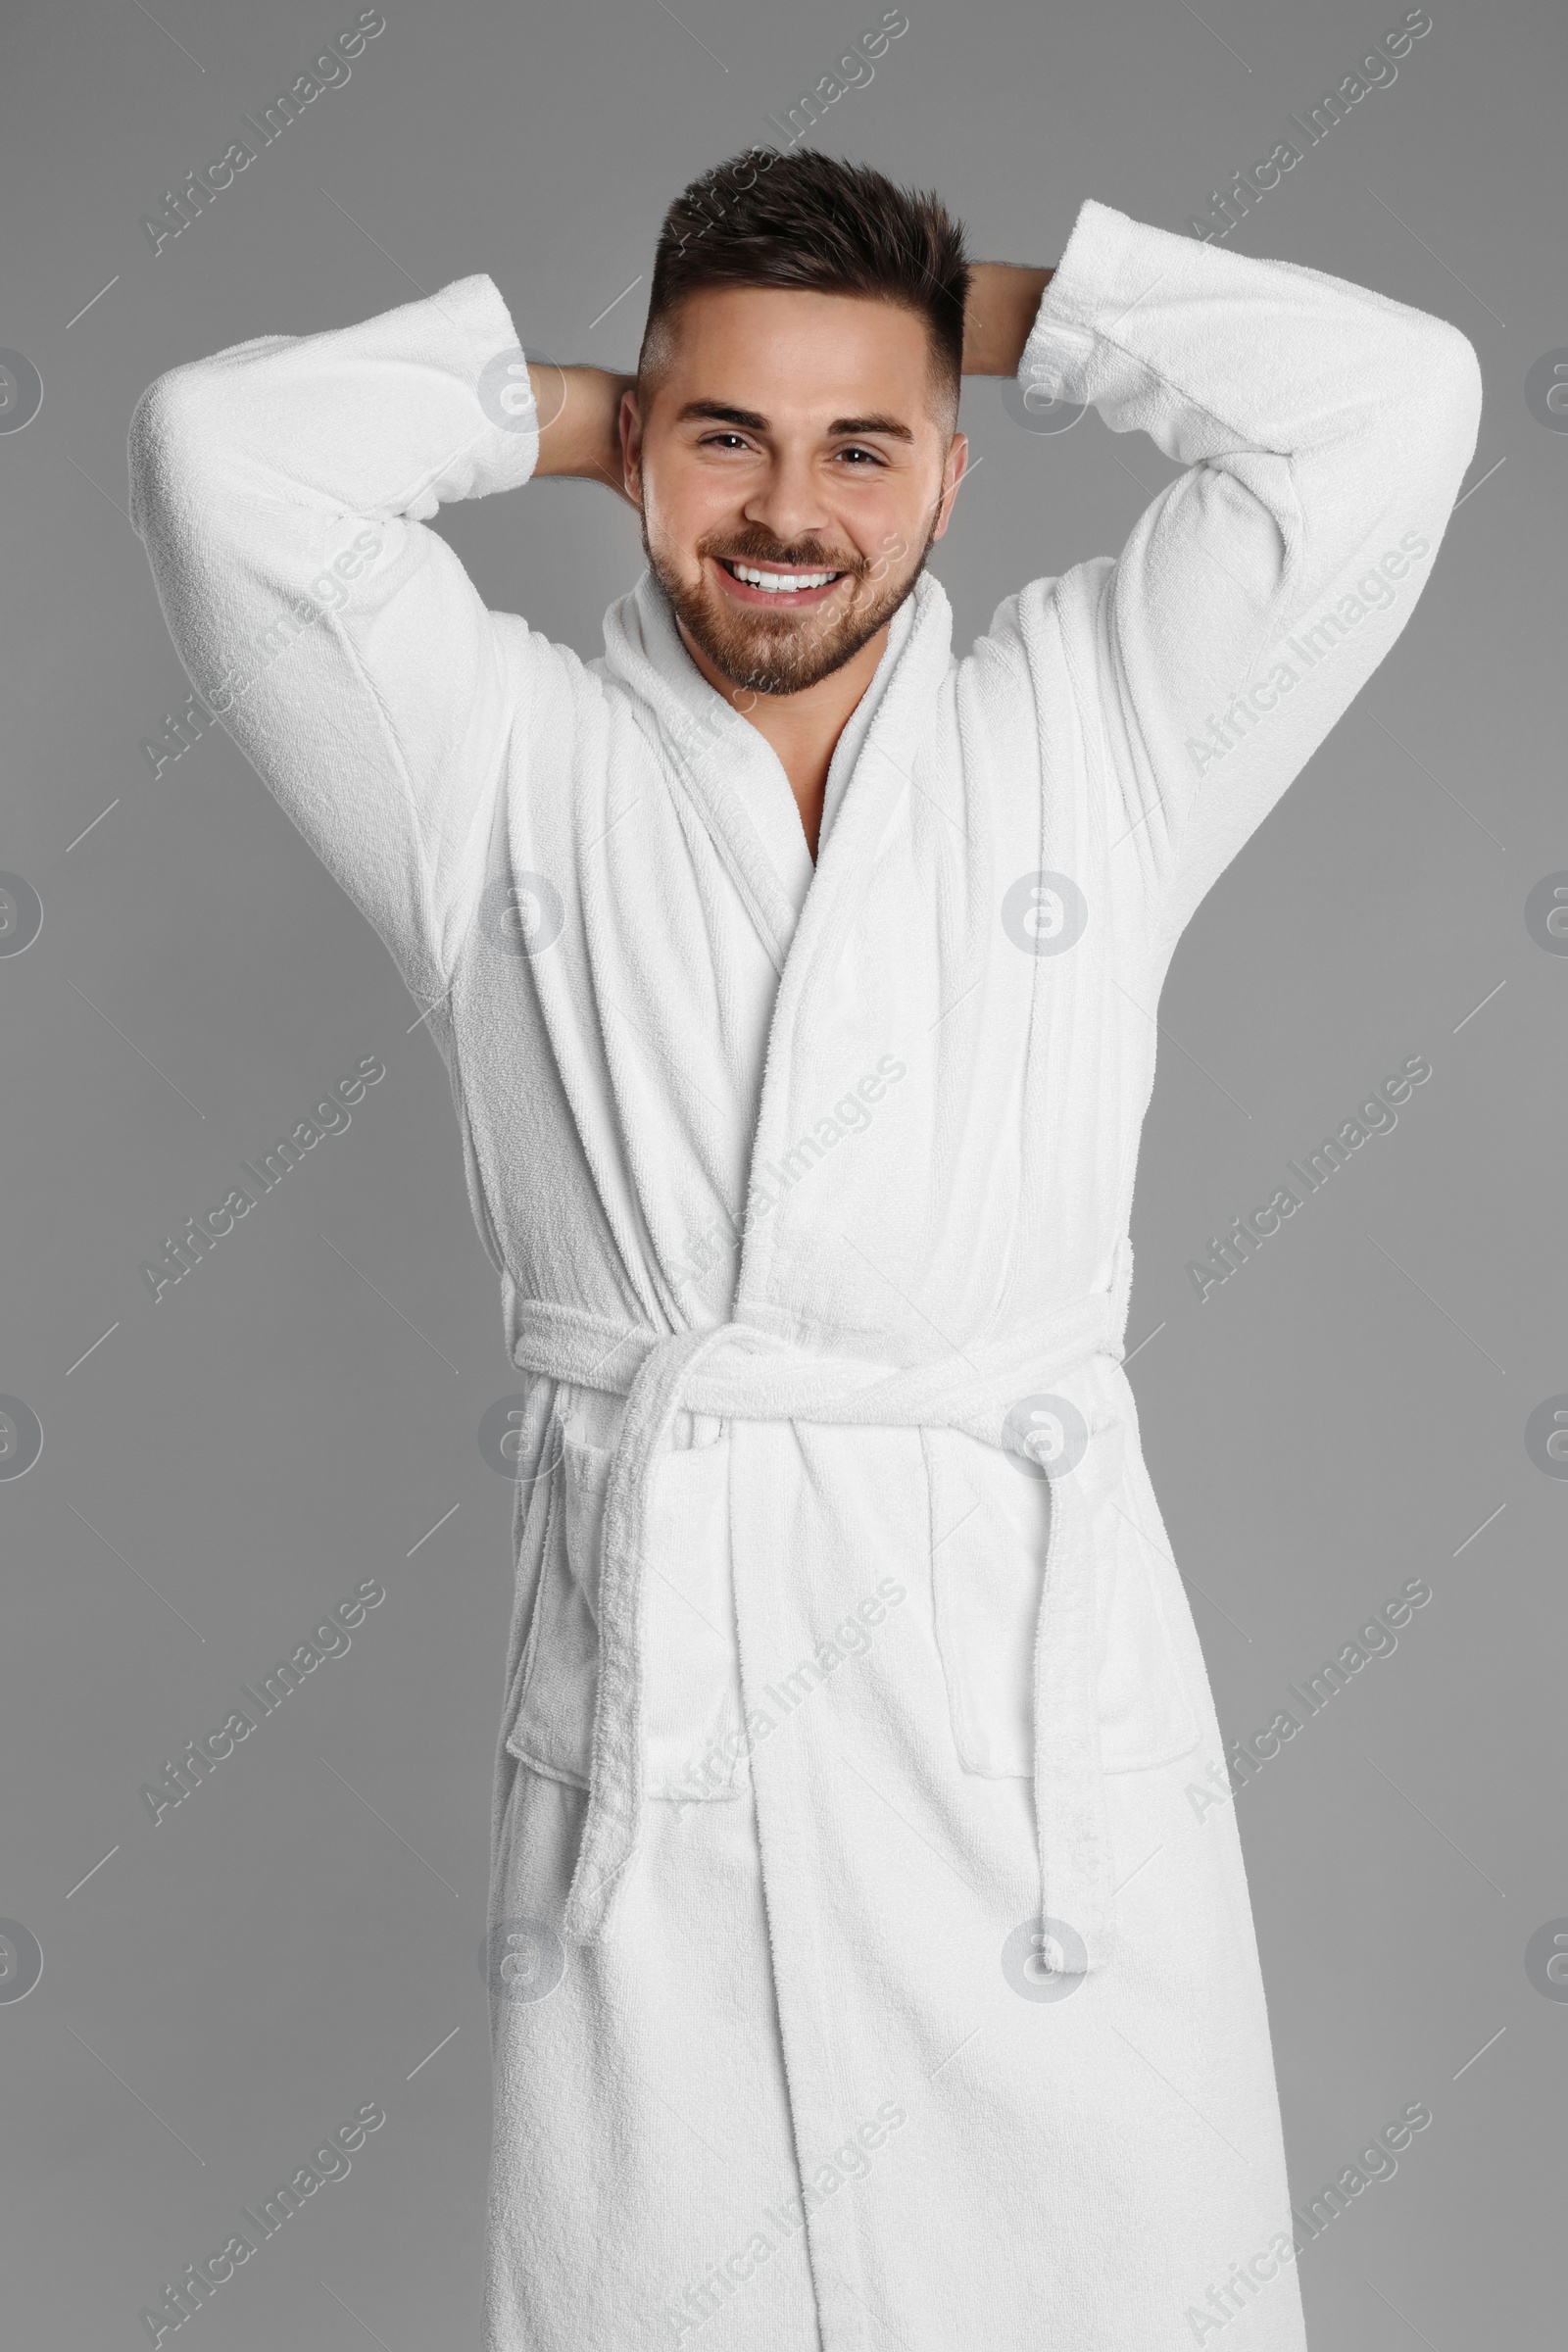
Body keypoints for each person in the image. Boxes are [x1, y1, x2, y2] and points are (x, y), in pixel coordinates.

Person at [128, 146, 1481, 2352]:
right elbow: (217, 452)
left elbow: (1395, 400)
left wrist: (991, 312)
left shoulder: (1103, 729)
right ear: (638, 454)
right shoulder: (490, 770)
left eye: (861, 445)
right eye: (720, 437)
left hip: (1025, 1745)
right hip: (666, 1741)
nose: (786, 511)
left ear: (949, 478)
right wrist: (577, 403)